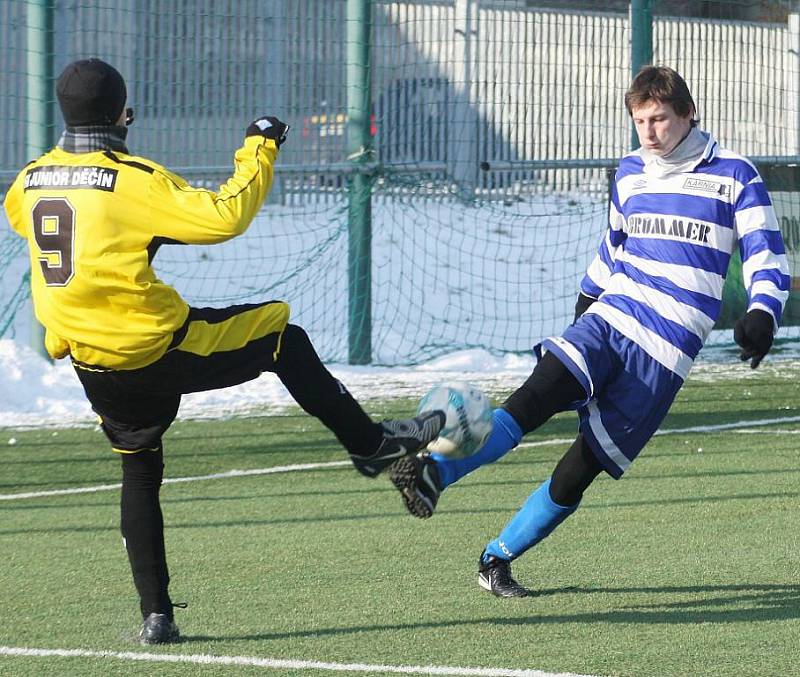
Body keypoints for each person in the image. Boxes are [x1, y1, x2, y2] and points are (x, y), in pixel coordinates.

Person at [3, 58, 444, 642]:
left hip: (91, 361)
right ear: (119, 112)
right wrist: (259, 146)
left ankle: (155, 616)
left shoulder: (30, 178)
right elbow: (224, 217)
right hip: (157, 347)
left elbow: (28, 224)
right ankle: (370, 446)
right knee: (282, 335)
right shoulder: (132, 178)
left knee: (139, 471)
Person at [389, 65, 789, 597]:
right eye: (640, 121)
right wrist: (586, 300)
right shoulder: (629, 172)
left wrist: (762, 312)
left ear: (689, 114)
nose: (649, 132)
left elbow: (767, 254)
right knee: (532, 398)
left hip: (665, 354)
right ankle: (430, 475)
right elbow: (613, 246)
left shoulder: (735, 174)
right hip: (612, 318)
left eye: (660, 119)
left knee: (581, 469)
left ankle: (495, 559)